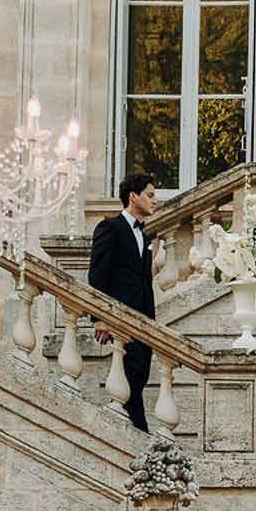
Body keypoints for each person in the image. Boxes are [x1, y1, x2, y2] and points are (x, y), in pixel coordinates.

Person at [89, 172, 162, 432]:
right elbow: (98, 274)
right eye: (150, 195)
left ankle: (132, 431)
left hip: (144, 319)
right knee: (130, 377)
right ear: (133, 196)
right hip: (122, 319)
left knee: (139, 377)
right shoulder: (110, 227)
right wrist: (99, 317)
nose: (155, 201)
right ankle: (139, 435)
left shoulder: (145, 235)